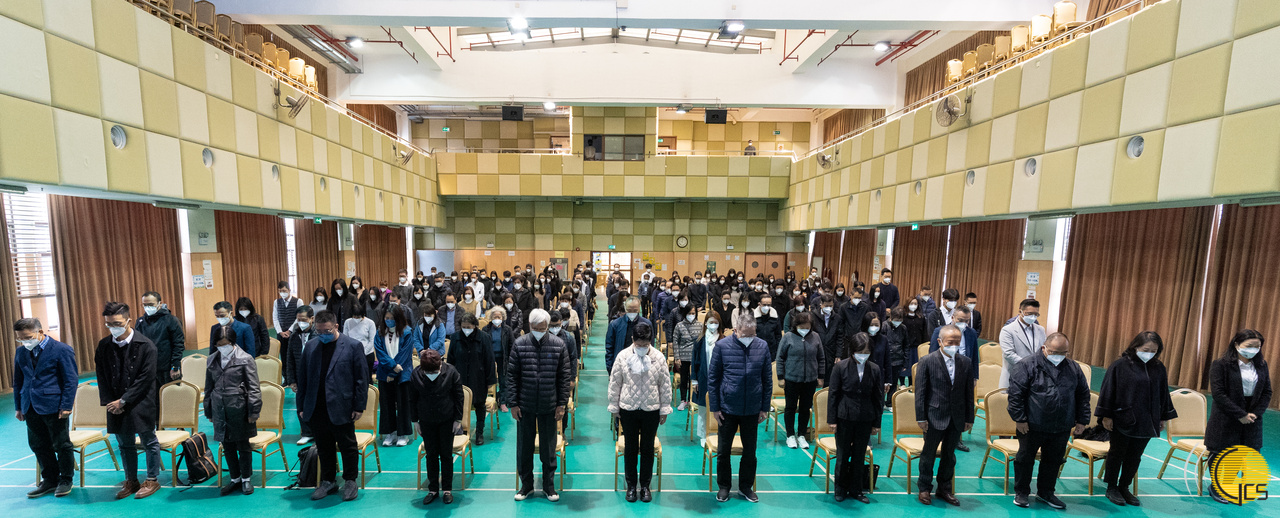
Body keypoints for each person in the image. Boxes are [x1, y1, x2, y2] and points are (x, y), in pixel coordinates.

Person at [1006, 333, 1090, 509]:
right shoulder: (1027, 365)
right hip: (1032, 424)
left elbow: (1083, 395)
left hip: (1061, 425)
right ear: (1044, 348)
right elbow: (1015, 395)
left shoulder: (1073, 368)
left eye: (1063, 353)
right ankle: (1022, 492)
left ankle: (1046, 492)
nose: (1058, 356)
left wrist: (1082, 420)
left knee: (1053, 460)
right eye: (1054, 352)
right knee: (1025, 459)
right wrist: (1020, 419)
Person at [1096, 331, 1177, 507]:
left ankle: (1124, 486)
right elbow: (1108, 390)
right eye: (1146, 350)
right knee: (1117, 453)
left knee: (1135, 456)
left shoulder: (1159, 368)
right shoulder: (1119, 366)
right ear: (1135, 347)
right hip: (1122, 418)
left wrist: (1162, 417)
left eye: (1154, 351)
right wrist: (1106, 415)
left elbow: (1163, 394)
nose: (1149, 354)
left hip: (1147, 420)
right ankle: (1112, 487)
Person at [297, 310, 370, 502]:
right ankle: (328, 481)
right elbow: (302, 378)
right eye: (319, 331)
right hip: (316, 406)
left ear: (336, 326)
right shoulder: (311, 346)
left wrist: (359, 406)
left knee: (348, 446)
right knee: (323, 446)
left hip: (342, 406)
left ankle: (350, 481)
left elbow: (361, 379)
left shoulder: (353, 346)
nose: (323, 335)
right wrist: (301, 406)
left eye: (327, 331)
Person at [95, 302, 162, 499]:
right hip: (115, 405)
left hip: (141, 403)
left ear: (128, 321)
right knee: (125, 445)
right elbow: (102, 376)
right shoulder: (104, 346)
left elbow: (146, 378)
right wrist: (111, 403)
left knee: (149, 441)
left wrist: (124, 400)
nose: (113, 328)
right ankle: (131, 480)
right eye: (109, 324)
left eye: (117, 323)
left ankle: (152, 479)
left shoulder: (146, 346)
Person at [506, 309, 573, 502]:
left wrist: (561, 404)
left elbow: (564, 377)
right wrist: (513, 403)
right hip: (525, 405)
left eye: (543, 329)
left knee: (548, 449)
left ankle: (548, 486)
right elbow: (512, 376)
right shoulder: (519, 344)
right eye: (536, 328)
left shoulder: (558, 345)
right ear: (530, 326)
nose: (540, 332)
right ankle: (526, 486)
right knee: (524, 448)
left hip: (549, 405)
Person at [707, 313, 772, 503]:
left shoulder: (762, 346)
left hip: (752, 409)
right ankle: (724, 486)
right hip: (727, 408)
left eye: (752, 334)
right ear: (736, 330)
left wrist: (764, 407)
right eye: (745, 334)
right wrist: (715, 408)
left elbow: (767, 380)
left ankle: (745, 487)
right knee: (723, 451)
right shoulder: (722, 346)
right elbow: (713, 379)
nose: (749, 338)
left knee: (750, 452)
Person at [607, 322, 673, 503]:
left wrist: (664, 409)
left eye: (645, 345)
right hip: (628, 408)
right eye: (639, 344)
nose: (642, 348)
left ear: (650, 341)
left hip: (651, 409)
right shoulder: (622, 356)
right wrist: (614, 406)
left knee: (647, 448)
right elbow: (615, 383)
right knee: (630, 448)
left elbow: (665, 384)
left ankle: (645, 486)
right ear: (632, 340)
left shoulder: (658, 357)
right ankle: (631, 486)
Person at [13, 318, 77, 498]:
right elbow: (18, 381)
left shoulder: (61, 349)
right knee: (38, 445)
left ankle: (66, 479)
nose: (24, 341)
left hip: (54, 405)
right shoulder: (21, 352)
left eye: (27, 337)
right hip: (29, 405)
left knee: (61, 444)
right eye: (20, 338)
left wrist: (66, 405)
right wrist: (18, 407)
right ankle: (49, 479)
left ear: (40, 332)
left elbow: (70, 380)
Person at [1206, 329, 1272, 505]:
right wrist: (1240, 414)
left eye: (1257, 346)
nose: (1253, 350)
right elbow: (1218, 394)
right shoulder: (1220, 365)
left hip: (1252, 417)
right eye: (1249, 345)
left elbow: (1267, 391)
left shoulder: (1261, 365)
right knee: (1220, 452)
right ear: (1236, 344)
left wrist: (1255, 413)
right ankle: (1216, 486)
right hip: (1226, 416)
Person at [913, 325, 974, 507]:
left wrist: (969, 418)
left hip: (956, 417)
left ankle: (944, 488)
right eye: (950, 342)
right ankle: (924, 487)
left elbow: (969, 393)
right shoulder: (927, 361)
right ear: (940, 342)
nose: (954, 345)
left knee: (949, 455)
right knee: (928, 454)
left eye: (957, 342)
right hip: (934, 416)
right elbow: (920, 392)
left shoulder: (966, 362)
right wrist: (921, 417)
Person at [204, 325, 262, 496]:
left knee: (243, 446)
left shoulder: (246, 359)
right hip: (219, 408)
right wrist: (208, 411)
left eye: (225, 344)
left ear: (233, 342)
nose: (222, 348)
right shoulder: (212, 359)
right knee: (227, 445)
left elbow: (254, 388)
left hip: (239, 408)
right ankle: (235, 478)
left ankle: (246, 479)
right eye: (219, 345)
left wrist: (254, 411)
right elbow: (208, 387)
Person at [827, 332, 883, 503]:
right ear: (852, 351)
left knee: (859, 455)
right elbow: (833, 395)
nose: (863, 355)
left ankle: (856, 490)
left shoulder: (874, 369)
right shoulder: (840, 367)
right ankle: (840, 488)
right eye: (860, 352)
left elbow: (878, 397)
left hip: (865, 418)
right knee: (843, 456)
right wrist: (832, 420)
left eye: (867, 352)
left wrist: (877, 423)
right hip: (844, 417)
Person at [409, 349, 464, 505]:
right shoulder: (416, 375)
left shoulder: (451, 372)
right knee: (431, 455)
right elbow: (412, 398)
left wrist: (458, 419)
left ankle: (447, 489)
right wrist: (415, 421)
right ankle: (433, 489)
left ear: (440, 364)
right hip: (426, 420)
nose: (432, 374)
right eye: (429, 372)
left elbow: (459, 396)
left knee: (446, 455)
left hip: (447, 419)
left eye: (435, 371)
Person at [776, 312, 825, 450]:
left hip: (810, 380)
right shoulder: (788, 337)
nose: (805, 329)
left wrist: (821, 376)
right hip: (791, 379)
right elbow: (780, 358)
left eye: (807, 327)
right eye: (802, 327)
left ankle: (802, 434)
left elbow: (821, 358)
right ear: (796, 326)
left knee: (805, 408)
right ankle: (790, 435)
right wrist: (780, 377)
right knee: (790, 407)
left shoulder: (815, 337)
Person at [375, 308, 420, 447]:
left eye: (392, 318)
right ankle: (390, 433)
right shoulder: (380, 332)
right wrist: (391, 368)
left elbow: (405, 354)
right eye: (386, 318)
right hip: (385, 374)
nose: (388, 321)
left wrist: (393, 373)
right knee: (386, 405)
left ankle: (402, 434)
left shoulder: (407, 332)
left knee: (403, 404)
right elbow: (380, 352)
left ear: (398, 318)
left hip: (402, 374)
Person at [450, 313, 496, 445]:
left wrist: (490, 380)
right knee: (458, 405)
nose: (466, 329)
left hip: (478, 377)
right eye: (463, 327)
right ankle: (460, 430)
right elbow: (451, 360)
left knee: (480, 405)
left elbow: (489, 360)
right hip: (460, 378)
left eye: (468, 327)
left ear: (475, 325)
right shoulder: (455, 338)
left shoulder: (484, 338)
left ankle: (479, 432)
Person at [135, 292, 184, 399]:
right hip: (149, 368)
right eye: (144, 305)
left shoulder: (171, 320)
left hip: (167, 369)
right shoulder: (140, 322)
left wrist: (175, 366)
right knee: (152, 400)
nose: (148, 307)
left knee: (170, 399)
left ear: (159, 304)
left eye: (151, 304)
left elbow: (178, 345)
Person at [285, 306, 317, 445]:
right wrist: (291, 380)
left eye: (304, 319)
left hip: (315, 377)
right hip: (300, 377)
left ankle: (318, 432)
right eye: (298, 320)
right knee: (301, 406)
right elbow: (289, 359)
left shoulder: (318, 335)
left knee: (316, 406)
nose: (301, 322)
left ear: (312, 319)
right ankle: (306, 432)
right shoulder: (294, 336)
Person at [999, 299, 1045, 388]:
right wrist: (1029, 366)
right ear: (1020, 311)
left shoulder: (1041, 330)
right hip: (1015, 375)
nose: (1033, 317)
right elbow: (1009, 354)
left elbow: (1043, 350)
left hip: (1035, 378)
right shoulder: (1007, 330)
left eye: (1036, 314)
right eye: (1029, 314)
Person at [606, 297, 651, 374]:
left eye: (635, 310)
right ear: (625, 308)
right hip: (621, 365)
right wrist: (611, 369)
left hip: (641, 366)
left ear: (639, 308)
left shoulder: (647, 324)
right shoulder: (615, 325)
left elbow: (650, 346)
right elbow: (609, 348)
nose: (632, 313)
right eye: (629, 310)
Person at [672, 305, 703, 411]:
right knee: (684, 380)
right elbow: (675, 342)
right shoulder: (679, 326)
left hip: (696, 358)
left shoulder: (700, 325)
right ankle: (683, 400)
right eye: (689, 313)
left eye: (693, 313)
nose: (691, 315)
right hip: (683, 357)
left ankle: (693, 400)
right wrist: (677, 357)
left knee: (694, 380)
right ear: (685, 314)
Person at [812, 295, 844, 383]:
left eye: (831, 306)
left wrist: (838, 355)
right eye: (826, 306)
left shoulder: (837, 318)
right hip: (816, 352)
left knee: (829, 380)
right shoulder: (813, 316)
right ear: (821, 304)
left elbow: (839, 338)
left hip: (831, 352)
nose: (828, 308)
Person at [273, 282, 303, 369]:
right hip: (281, 334)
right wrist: (280, 332)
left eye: (284, 290)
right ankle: (285, 375)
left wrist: (290, 330)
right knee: (283, 356)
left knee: (294, 356)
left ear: (289, 290)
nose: (282, 293)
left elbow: (299, 318)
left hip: (294, 333)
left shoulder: (298, 301)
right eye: (280, 291)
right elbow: (275, 318)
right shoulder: (276, 302)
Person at [343, 303, 377, 378]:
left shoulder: (370, 323)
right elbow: (345, 338)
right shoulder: (347, 322)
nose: (356, 318)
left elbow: (372, 341)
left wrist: (362, 353)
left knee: (367, 378)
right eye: (354, 316)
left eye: (358, 317)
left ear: (363, 315)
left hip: (367, 354)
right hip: (352, 354)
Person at [754, 295, 783, 360]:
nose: (766, 307)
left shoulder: (775, 316)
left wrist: (778, 351)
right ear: (759, 304)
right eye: (764, 305)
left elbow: (778, 335)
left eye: (769, 305)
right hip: (757, 350)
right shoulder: (753, 317)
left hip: (772, 350)